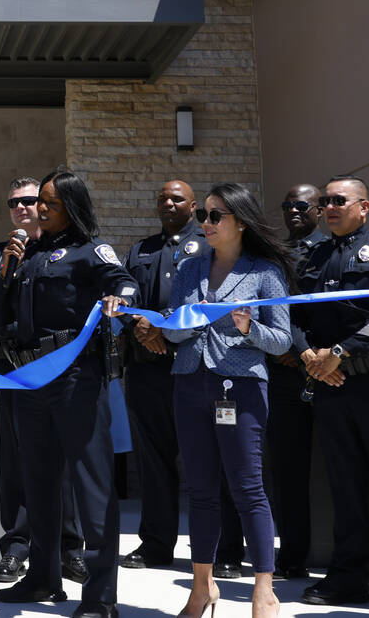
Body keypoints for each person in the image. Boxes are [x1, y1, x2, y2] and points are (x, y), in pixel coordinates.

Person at [0, 170, 137, 618]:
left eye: (49, 204)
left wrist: (121, 300)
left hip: (76, 379)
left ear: (70, 206)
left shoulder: (90, 250)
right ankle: (42, 579)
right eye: (39, 203)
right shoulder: (27, 254)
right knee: (38, 483)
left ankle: (100, 595)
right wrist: (6, 271)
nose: (39, 210)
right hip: (31, 378)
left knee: (92, 488)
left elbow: (122, 280)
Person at [162, 183, 293, 618]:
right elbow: (171, 332)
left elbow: (280, 340)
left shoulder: (265, 273)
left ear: (240, 221)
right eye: (206, 215)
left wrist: (246, 329)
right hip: (190, 384)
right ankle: (202, 588)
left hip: (240, 389)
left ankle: (264, 591)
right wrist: (187, 321)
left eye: (216, 216)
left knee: (248, 489)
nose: (207, 223)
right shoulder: (188, 269)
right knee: (199, 491)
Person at [292, 176, 369, 607]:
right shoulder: (312, 255)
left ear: (363, 206)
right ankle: (349, 578)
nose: (329, 206)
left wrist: (341, 351)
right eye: (324, 201)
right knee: (346, 487)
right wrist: (309, 356)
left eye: (339, 200)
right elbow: (294, 312)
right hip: (332, 387)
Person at [0, 177, 85, 585]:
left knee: (67, 462)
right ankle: (17, 548)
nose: (23, 207)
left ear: (47, 205)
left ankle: (69, 549)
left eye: (32, 200)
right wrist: (7, 275)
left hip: (63, 373)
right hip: (14, 371)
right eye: (14, 201)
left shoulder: (67, 252)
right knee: (18, 462)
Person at [119, 179, 205, 571]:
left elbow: (210, 303)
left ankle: (218, 548)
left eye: (177, 198)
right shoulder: (142, 249)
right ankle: (156, 544)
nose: (168, 203)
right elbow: (124, 297)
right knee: (153, 462)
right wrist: (138, 324)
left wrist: (164, 336)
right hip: (147, 370)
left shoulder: (208, 244)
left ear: (193, 204)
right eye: (162, 198)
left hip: (193, 368)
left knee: (207, 460)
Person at [264, 183, 325, 580]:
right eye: (287, 206)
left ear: (319, 208)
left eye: (301, 205)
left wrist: (318, 353)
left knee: (351, 469)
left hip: (336, 372)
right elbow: (273, 307)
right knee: (287, 471)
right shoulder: (276, 255)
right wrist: (290, 348)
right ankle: (293, 554)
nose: (293, 211)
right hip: (286, 372)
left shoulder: (333, 249)